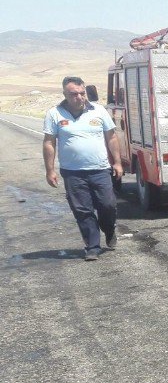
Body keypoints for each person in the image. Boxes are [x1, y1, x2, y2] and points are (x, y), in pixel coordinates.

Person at [42, 76, 122, 260]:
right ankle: (92, 246)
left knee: (107, 205)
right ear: (65, 94)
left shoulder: (99, 111)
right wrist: (50, 170)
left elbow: (111, 137)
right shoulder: (55, 114)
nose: (79, 97)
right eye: (74, 94)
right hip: (72, 172)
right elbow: (49, 142)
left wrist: (117, 162)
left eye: (82, 93)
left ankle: (109, 230)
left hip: (100, 169)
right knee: (82, 210)